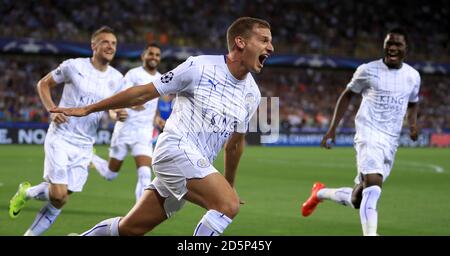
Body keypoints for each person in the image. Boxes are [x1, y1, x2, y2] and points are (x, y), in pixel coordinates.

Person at [51, 16, 273, 236]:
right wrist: (89, 108)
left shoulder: (252, 94)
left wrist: (229, 183)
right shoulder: (199, 67)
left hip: (194, 165)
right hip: (175, 151)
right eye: (264, 40)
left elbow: (234, 145)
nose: (270, 47)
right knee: (228, 206)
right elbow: (143, 93)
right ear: (240, 42)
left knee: (130, 229)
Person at [301, 28, 420, 236]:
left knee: (359, 199)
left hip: (390, 140)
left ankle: (319, 193)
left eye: (398, 44)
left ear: (405, 49)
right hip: (368, 132)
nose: (392, 47)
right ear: (384, 46)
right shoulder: (368, 70)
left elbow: (413, 102)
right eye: (388, 43)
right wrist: (332, 128)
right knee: (374, 185)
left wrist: (412, 125)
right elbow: (347, 95)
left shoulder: (412, 76)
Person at [8, 26, 124, 236]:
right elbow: (43, 84)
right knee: (59, 196)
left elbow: (113, 108)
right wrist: (52, 110)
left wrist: (117, 115)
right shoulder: (73, 66)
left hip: (86, 145)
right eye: (105, 42)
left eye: (114, 43)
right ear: (94, 45)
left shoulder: (117, 78)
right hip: (61, 137)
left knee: (59, 197)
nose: (110, 46)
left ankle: (27, 192)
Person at [91, 43, 162, 201]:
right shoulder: (133, 74)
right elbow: (118, 98)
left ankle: (138, 213)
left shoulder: (160, 79)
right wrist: (118, 112)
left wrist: (157, 118)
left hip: (144, 132)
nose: (154, 57)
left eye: (157, 55)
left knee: (145, 174)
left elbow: (154, 105)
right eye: (151, 53)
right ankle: (91, 157)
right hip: (125, 129)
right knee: (110, 174)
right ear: (143, 56)